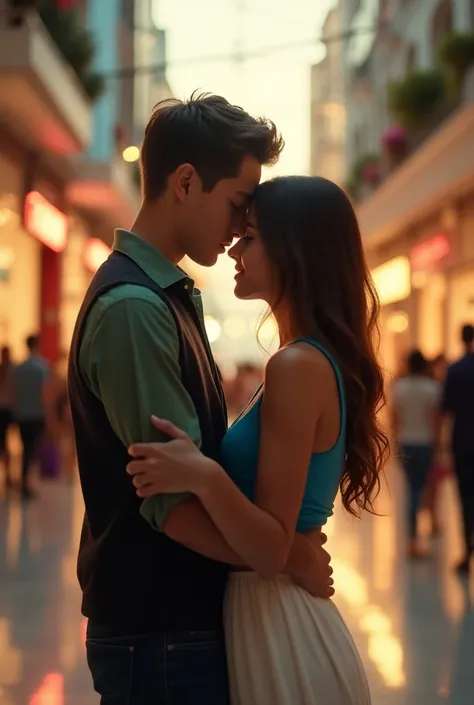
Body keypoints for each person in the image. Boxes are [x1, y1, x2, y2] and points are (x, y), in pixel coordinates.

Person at [68, 95, 333, 705]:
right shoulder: (136, 307)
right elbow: (173, 504)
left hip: (172, 630)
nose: (242, 226)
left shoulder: (164, 295)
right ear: (186, 182)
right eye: (239, 204)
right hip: (160, 633)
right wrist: (285, 553)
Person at [127, 175, 390, 705]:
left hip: (284, 626)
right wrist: (302, 556)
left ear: (296, 249)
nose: (235, 252)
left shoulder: (297, 365)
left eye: (250, 238)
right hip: (271, 614)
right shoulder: (303, 360)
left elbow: (270, 546)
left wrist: (202, 475)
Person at [391, 349, 441, 558]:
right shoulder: (432, 389)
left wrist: (395, 442)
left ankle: (412, 540)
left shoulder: (399, 388)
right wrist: (438, 445)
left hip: (405, 442)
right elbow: (434, 420)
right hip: (425, 443)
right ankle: (417, 536)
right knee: (420, 488)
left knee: (412, 489)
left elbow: (394, 418)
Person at [439, 324, 474, 573]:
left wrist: (439, 445)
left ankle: (467, 551)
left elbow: (445, 410)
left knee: (465, 498)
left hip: (462, 441)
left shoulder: (455, 370)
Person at [12, 334, 50, 499]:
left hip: (21, 414)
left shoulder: (18, 369)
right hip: (36, 414)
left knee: (25, 448)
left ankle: (24, 482)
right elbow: (44, 393)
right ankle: (28, 484)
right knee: (32, 450)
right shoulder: (41, 367)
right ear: (37, 345)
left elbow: (14, 392)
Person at [0, 345, 14, 488]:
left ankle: (7, 474)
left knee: (3, 442)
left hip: (2, 410)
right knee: (6, 443)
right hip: (10, 410)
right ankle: (8, 475)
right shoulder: (12, 371)